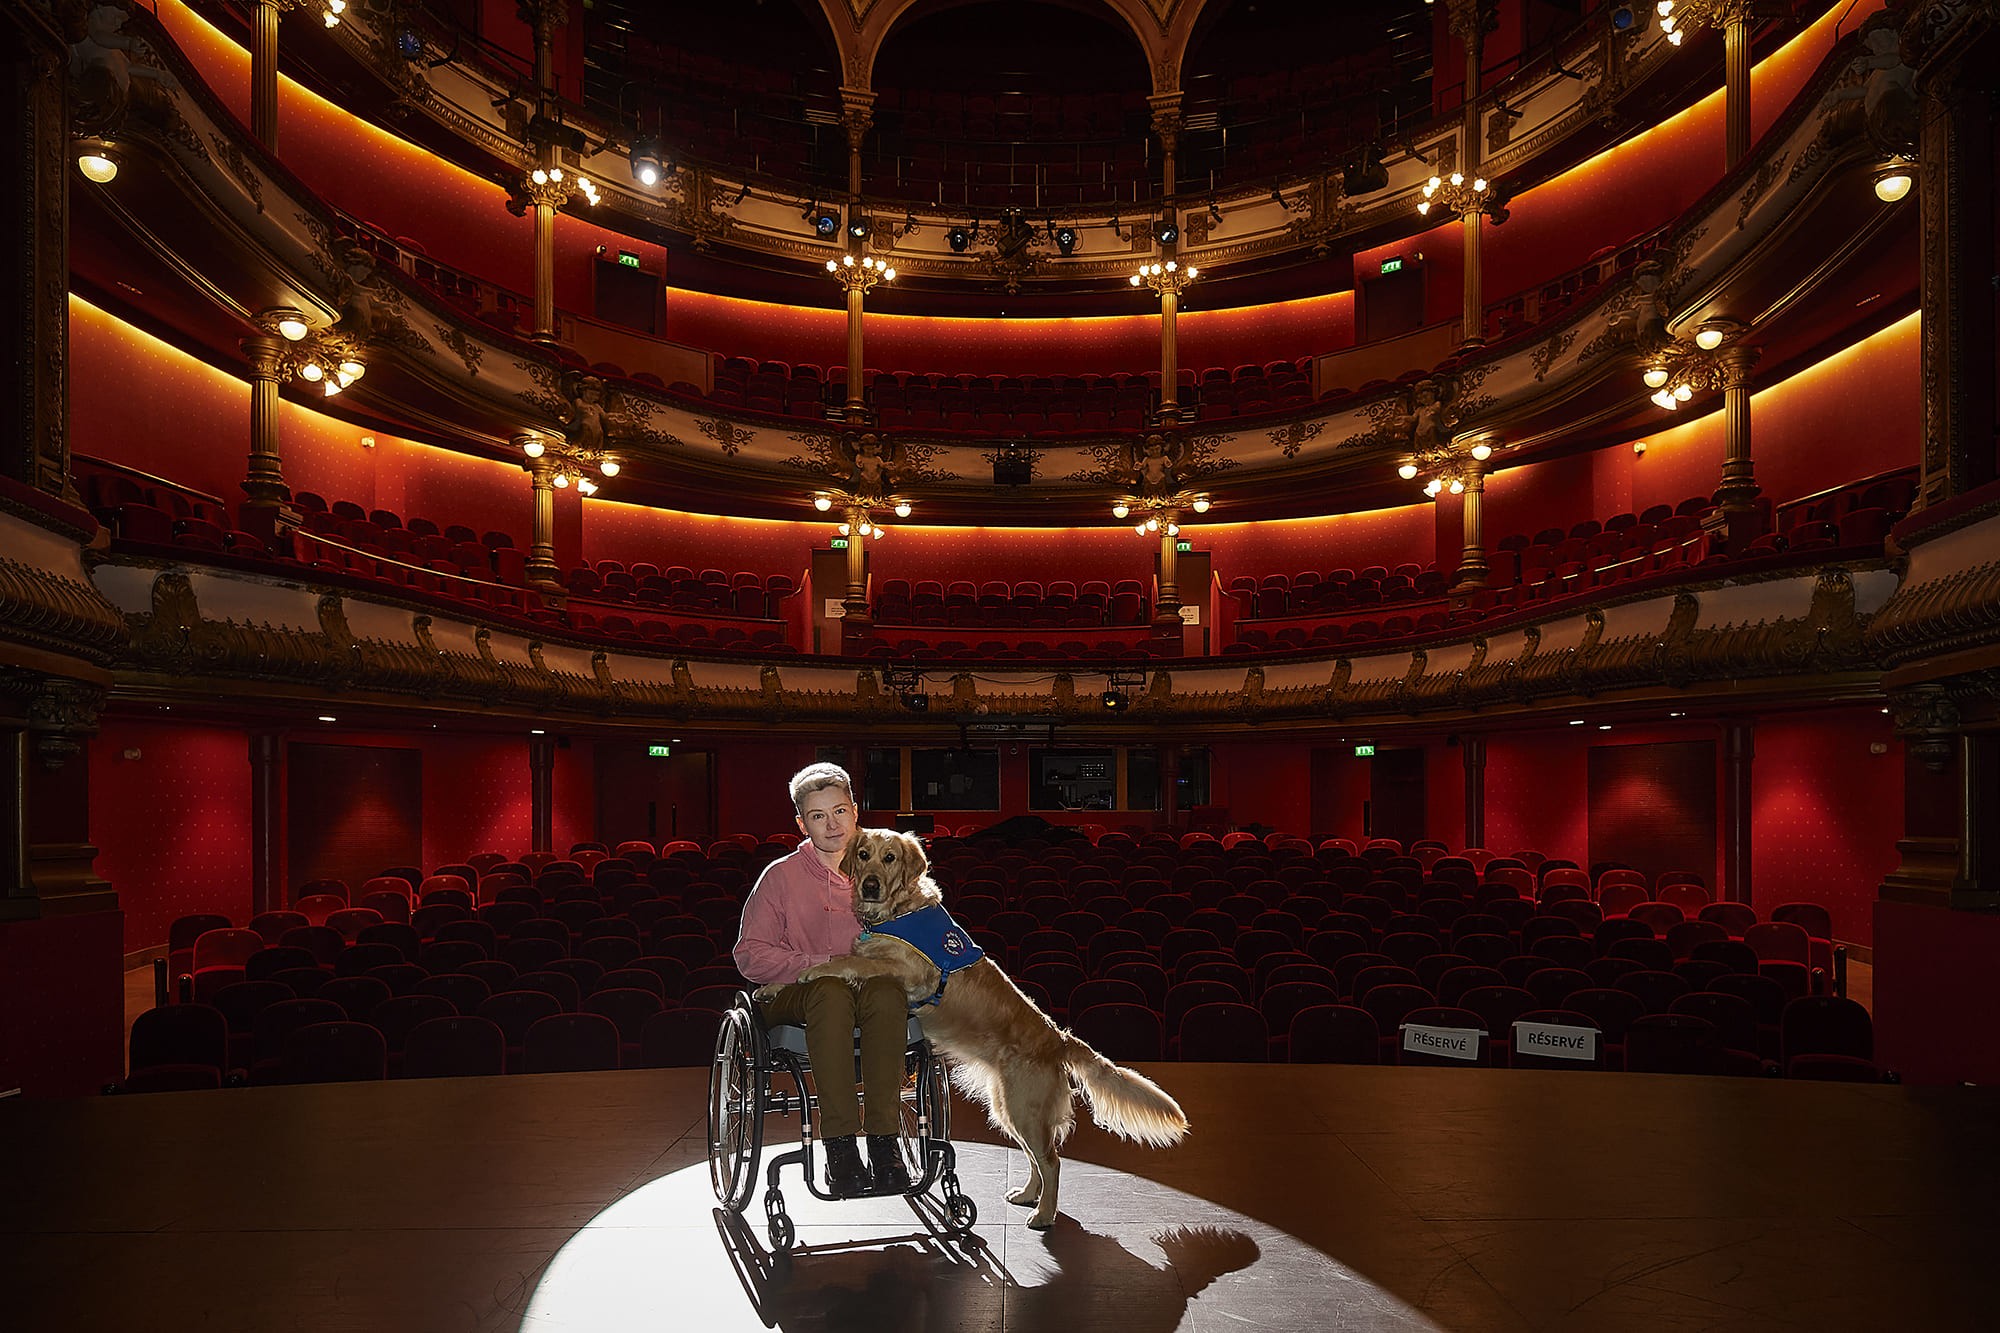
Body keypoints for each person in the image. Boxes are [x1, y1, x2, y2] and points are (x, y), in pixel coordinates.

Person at [734, 762, 913, 1196]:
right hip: (795, 995)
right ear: (802, 823)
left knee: (888, 989)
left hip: (872, 994)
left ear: (855, 811)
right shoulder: (780, 877)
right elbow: (750, 955)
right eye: (818, 816)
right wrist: (823, 963)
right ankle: (840, 1148)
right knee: (831, 990)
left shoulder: (884, 865)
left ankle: (886, 1144)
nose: (831, 824)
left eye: (838, 811)